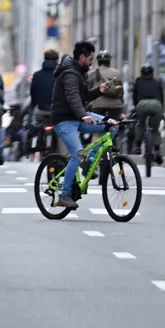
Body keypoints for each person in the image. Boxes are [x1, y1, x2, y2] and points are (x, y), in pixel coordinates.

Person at [49, 41, 106, 213]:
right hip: (64, 120)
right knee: (77, 154)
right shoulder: (70, 75)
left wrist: (99, 90)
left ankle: (89, 164)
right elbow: (73, 97)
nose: (92, 62)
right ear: (82, 57)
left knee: (111, 125)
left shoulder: (81, 73)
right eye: (90, 58)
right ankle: (64, 195)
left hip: (79, 117)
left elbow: (84, 96)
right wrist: (83, 115)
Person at [132, 65, 165, 164]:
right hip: (156, 105)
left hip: (142, 104)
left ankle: (138, 146)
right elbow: (162, 97)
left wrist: (136, 108)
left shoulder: (138, 82)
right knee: (155, 129)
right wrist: (161, 108)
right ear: (152, 73)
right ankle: (157, 150)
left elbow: (134, 97)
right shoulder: (157, 82)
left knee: (140, 124)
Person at [28, 49, 60, 154]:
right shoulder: (60, 74)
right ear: (56, 61)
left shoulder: (37, 75)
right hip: (57, 111)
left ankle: (34, 140)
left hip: (41, 110)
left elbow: (33, 93)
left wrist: (34, 105)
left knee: (35, 123)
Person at [86, 52, 125, 121]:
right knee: (114, 125)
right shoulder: (117, 73)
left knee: (97, 127)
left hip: (98, 105)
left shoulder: (92, 73)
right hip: (115, 106)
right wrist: (121, 103)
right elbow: (121, 92)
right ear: (109, 61)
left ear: (98, 61)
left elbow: (88, 91)